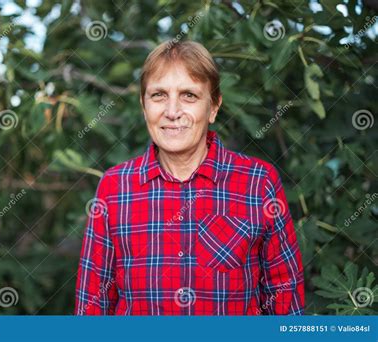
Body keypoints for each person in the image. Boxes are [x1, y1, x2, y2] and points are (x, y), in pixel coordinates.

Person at [74, 40, 305, 315]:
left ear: (214, 107)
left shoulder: (258, 182)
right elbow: (92, 306)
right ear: (143, 105)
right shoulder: (114, 187)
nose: (172, 112)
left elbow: (285, 298)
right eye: (158, 95)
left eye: (189, 96)